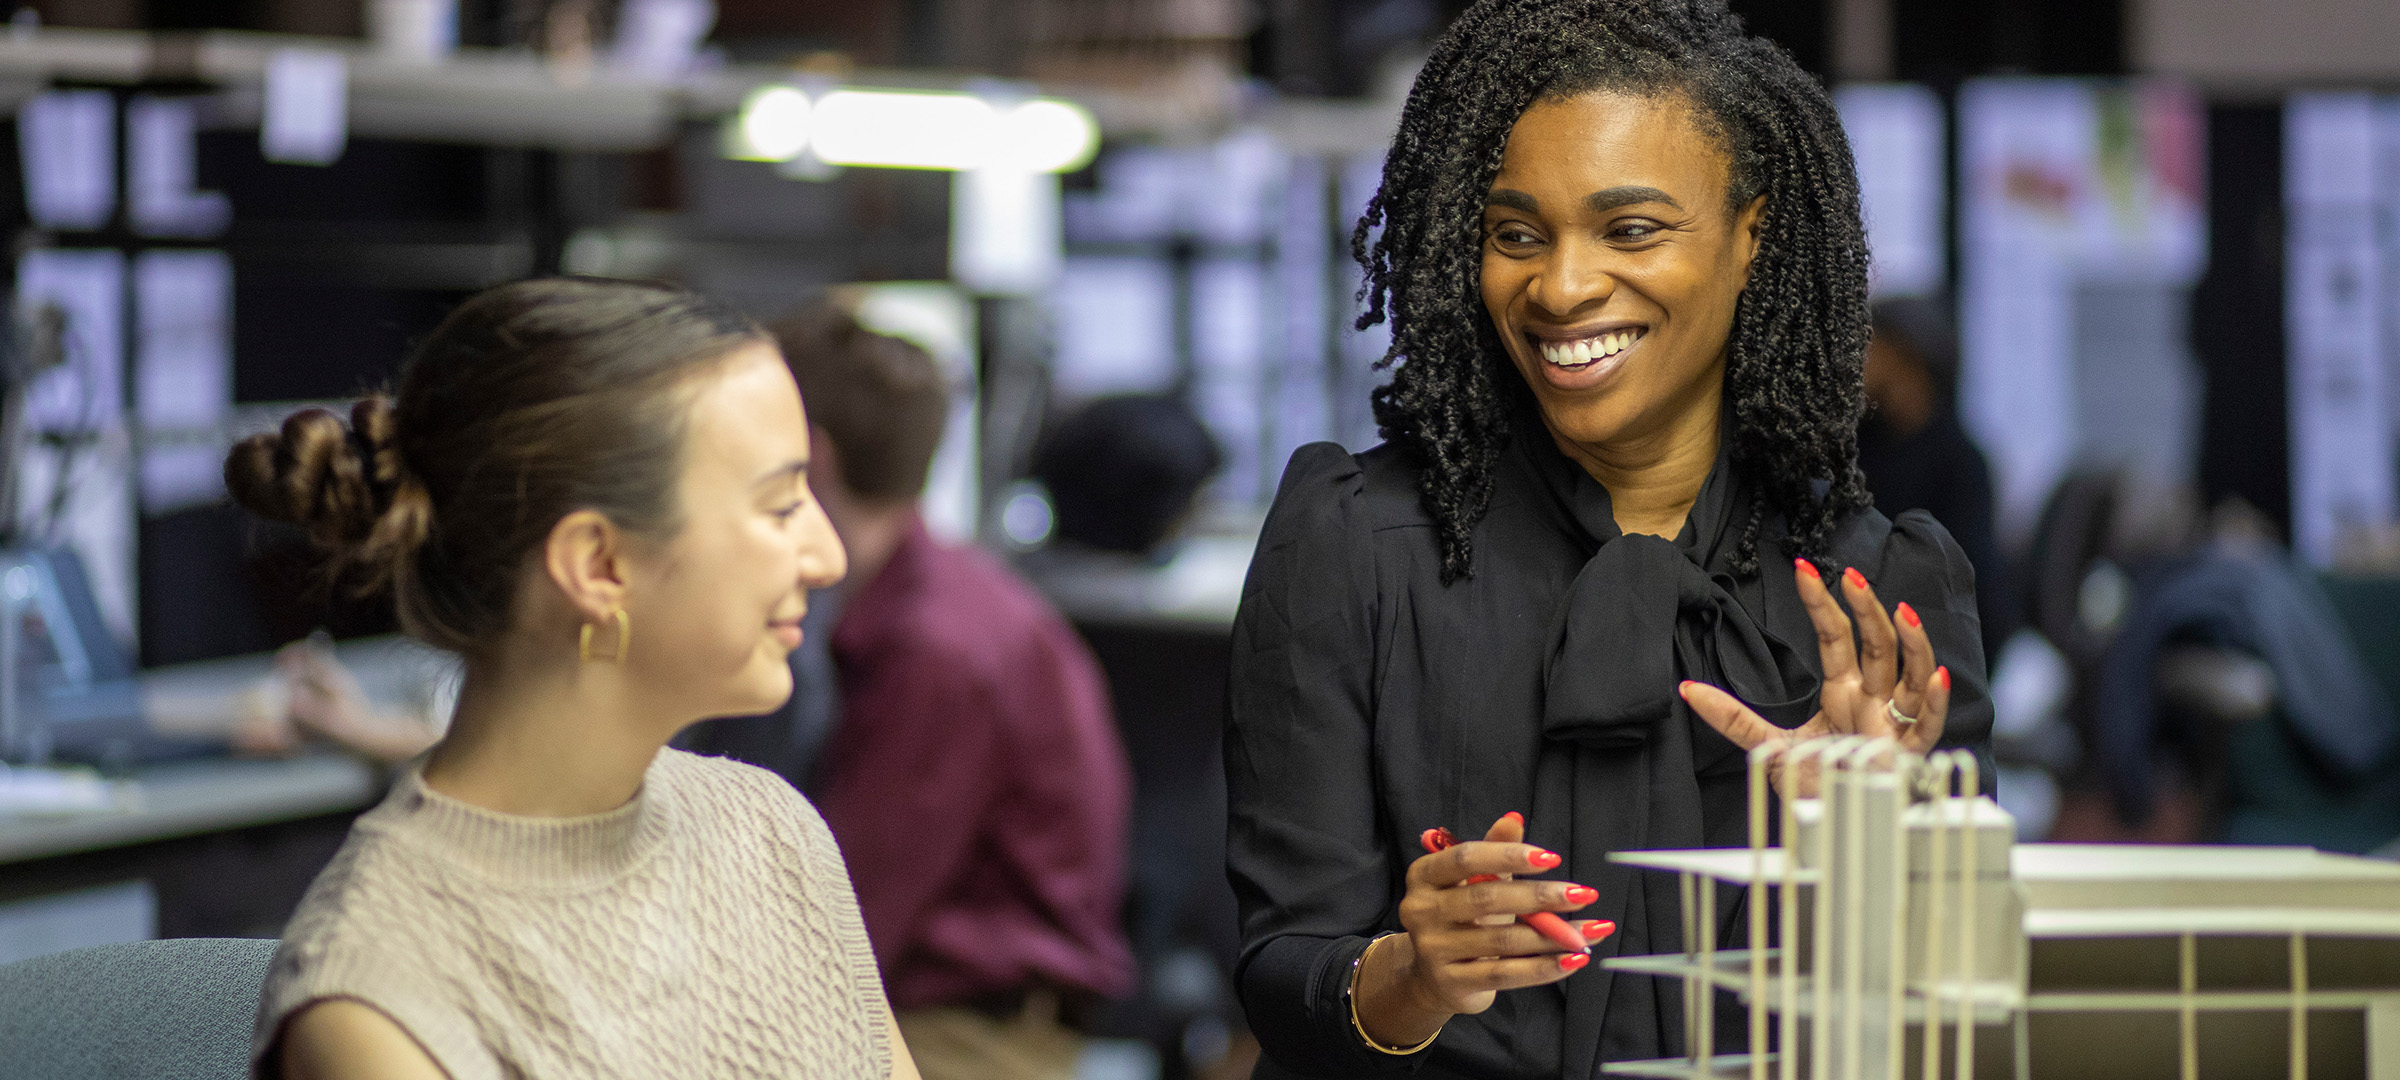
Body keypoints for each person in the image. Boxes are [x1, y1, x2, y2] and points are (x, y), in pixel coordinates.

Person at [1224, 2, 1995, 1077]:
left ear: (1750, 240)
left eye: (1630, 229)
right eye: (1516, 233)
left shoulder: (1875, 593)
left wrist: (1867, 852)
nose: (1561, 286)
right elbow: (1279, 971)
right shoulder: (1358, 548)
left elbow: (1953, 1019)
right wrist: (1414, 974)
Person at [228, 278, 921, 1080]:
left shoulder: (774, 833)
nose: (828, 556)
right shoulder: (380, 1008)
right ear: (598, 566)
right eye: (778, 507)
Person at [776, 301, 1136, 1080]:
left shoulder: (933, 646)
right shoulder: (947, 600)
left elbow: (848, 922)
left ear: (812, 457)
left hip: (968, 1038)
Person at [1856, 296, 2011, 669]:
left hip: (1937, 656)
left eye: (1869, 343)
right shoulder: (1859, 446)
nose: (1857, 356)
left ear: (1904, 356)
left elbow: (1974, 583)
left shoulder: (1960, 462)